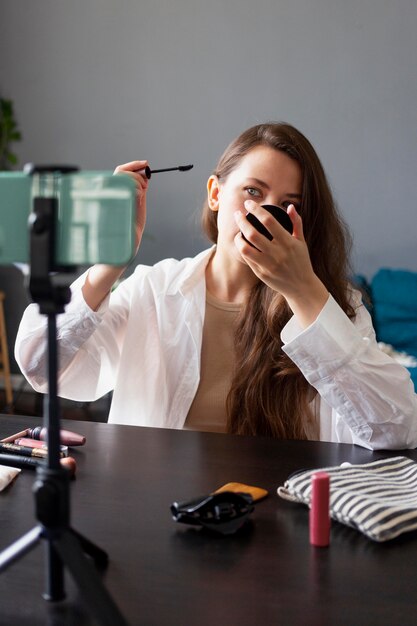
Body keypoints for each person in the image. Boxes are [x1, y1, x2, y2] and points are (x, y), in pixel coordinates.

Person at [15, 122, 417, 450]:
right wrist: (111, 261)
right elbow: (41, 366)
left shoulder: (332, 303)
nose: (264, 214)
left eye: (288, 203)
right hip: (154, 510)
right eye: (253, 192)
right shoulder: (156, 290)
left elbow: (397, 430)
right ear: (215, 194)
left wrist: (304, 291)